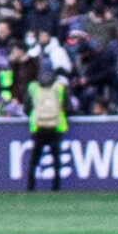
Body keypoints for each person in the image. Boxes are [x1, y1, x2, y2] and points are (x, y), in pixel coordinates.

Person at [25, 61, 71, 192]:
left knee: (34, 159)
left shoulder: (33, 86)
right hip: (55, 126)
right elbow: (67, 106)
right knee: (56, 159)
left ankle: (30, 187)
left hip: (38, 127)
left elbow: (27, 107)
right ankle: (56, 187)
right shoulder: (60, 86)